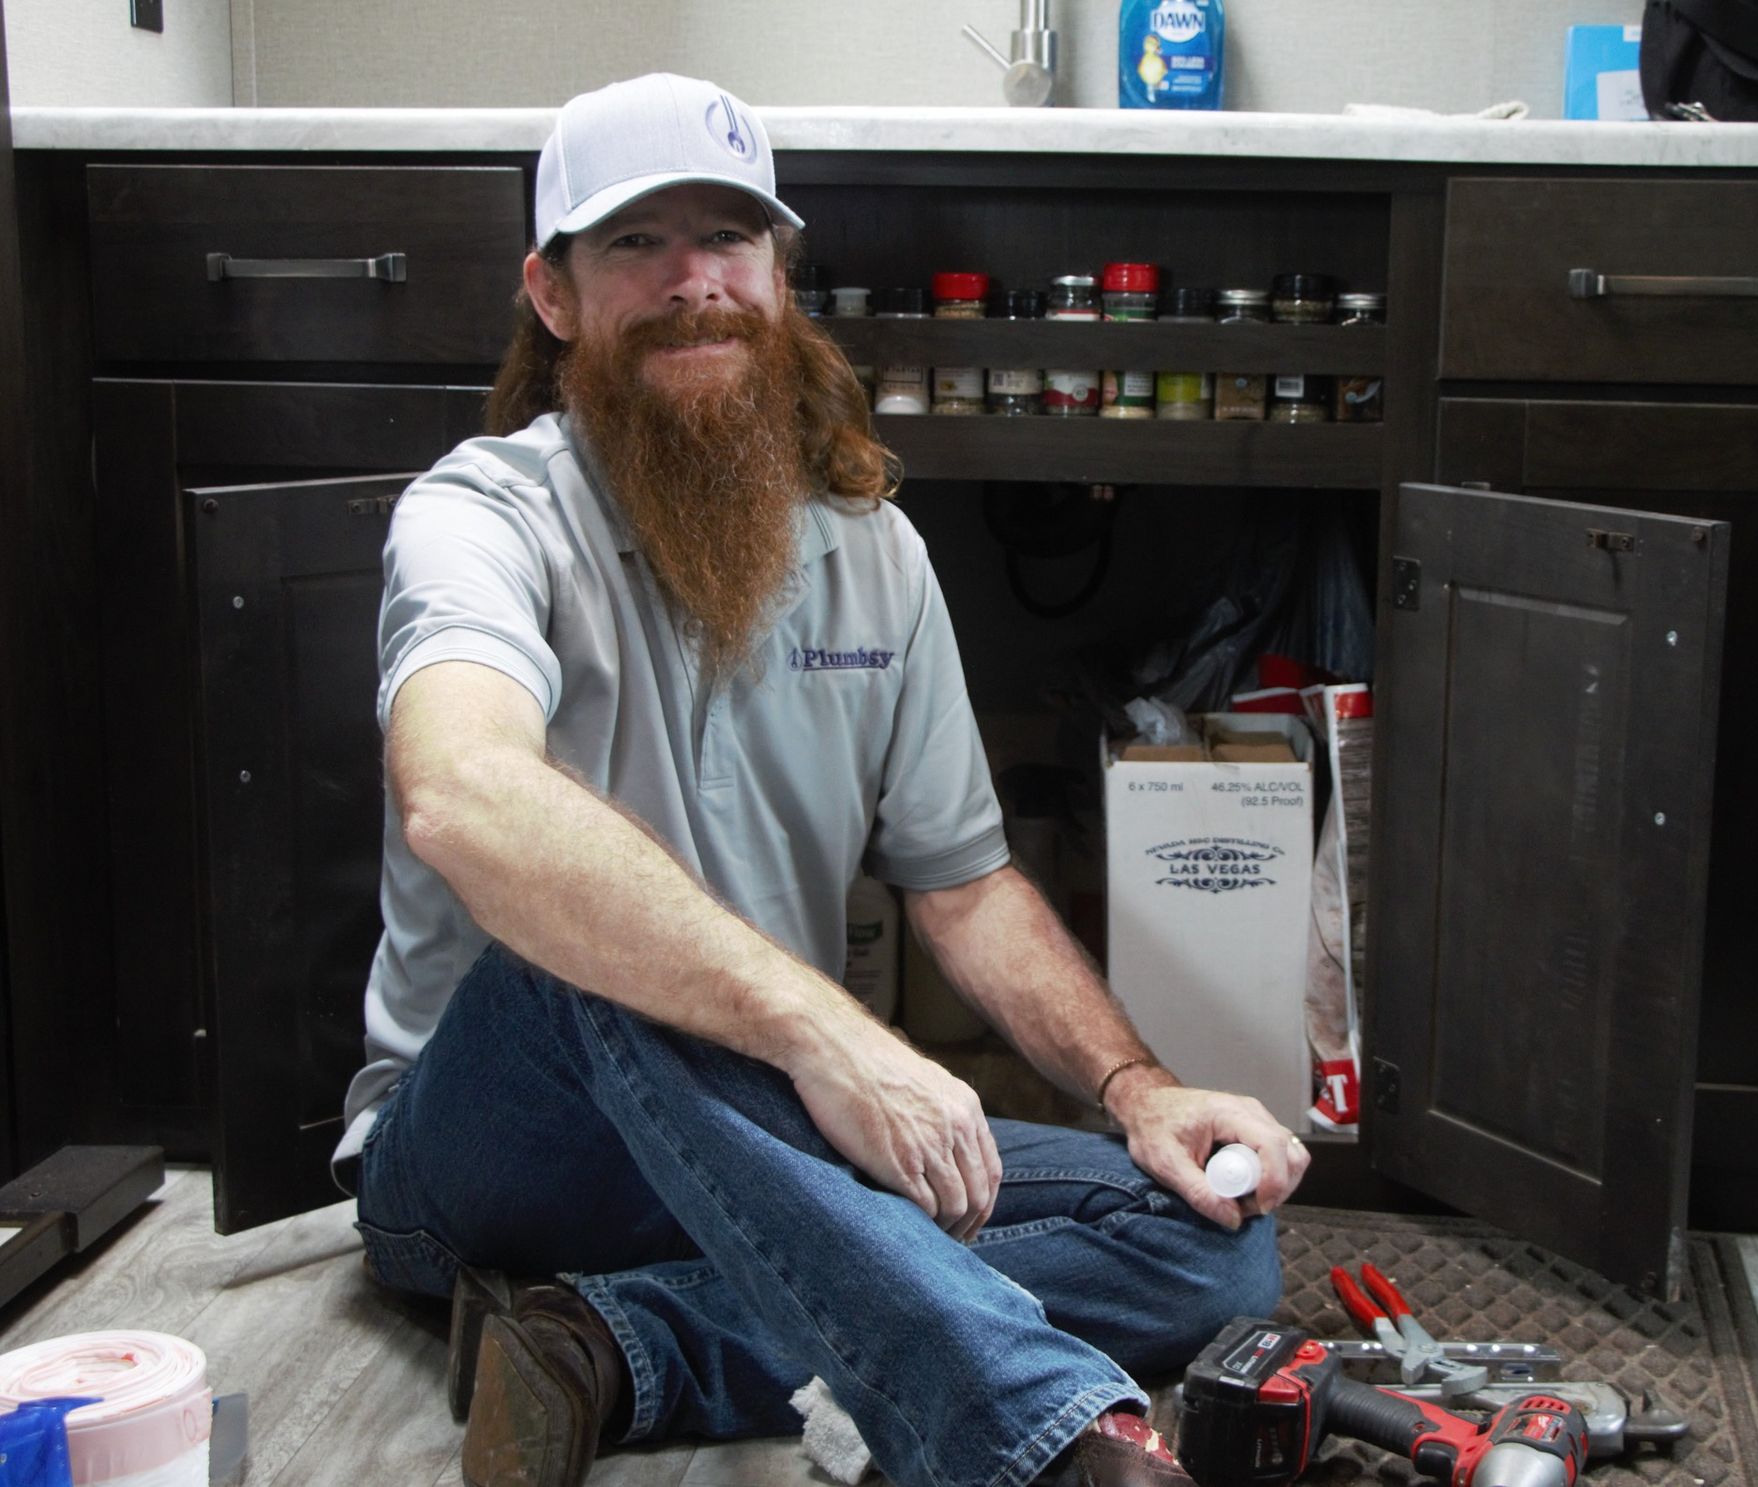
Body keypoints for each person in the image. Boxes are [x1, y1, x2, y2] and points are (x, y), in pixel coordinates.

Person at [335, 71, 1311, 1487]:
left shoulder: (872, 553)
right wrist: (830, 1035)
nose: (695, 283)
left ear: (780, 279)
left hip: (753, 1132)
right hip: (491, 1151)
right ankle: (1048, 1440)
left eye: (729, 239)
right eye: (635, 245)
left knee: (1203, 1235)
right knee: (587, 949)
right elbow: (464, 791)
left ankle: (610, 1344)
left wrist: (1138, 1089)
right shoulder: (481, 517)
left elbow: (964, 883)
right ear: (553, 297)